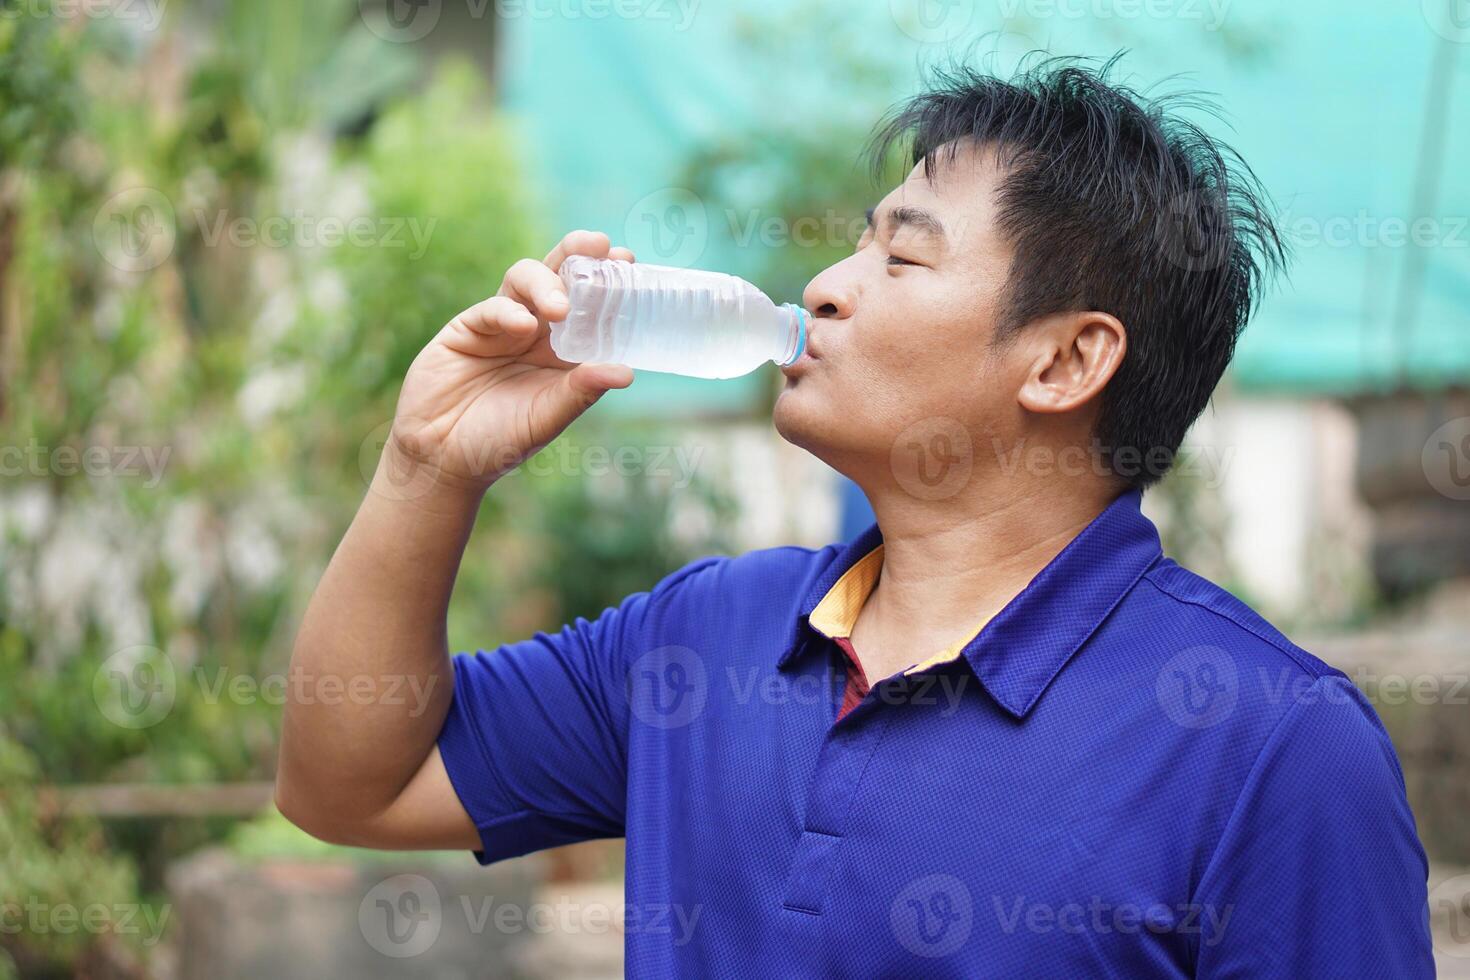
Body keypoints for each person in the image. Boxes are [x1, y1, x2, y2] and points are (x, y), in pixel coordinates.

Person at [275, 57, 1434, 977]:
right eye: (858, 238)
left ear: (1068, 358)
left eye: (902, 254)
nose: (829, 282)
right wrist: (429, 466)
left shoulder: (1273, 743)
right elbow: (348, 782)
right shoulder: (703, 636)